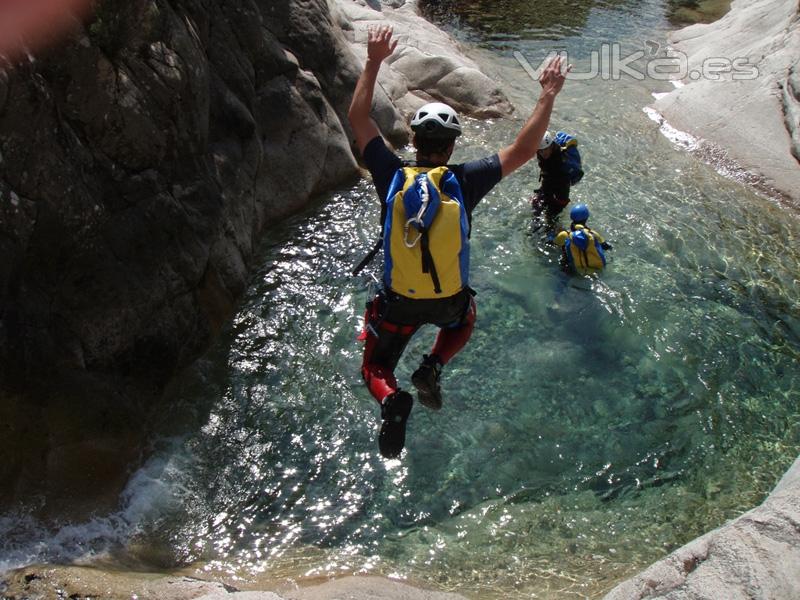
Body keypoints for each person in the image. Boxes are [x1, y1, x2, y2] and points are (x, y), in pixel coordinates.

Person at [348, 24, 570, 458]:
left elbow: (359, 118)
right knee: (465, 317)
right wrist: (548, 93)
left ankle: (392, 400)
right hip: (448, 301)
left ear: (414, 140)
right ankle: (432, 365)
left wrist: (374, 60)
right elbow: (524, 149)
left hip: (397, 303)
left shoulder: (391, 175)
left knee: (374, 366)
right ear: (451, 148)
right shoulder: (466, 181)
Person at [531, 130, 584, 222]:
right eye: (540, 151)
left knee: (552, 215)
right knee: (536, 204)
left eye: (546, 149)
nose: (543, 153)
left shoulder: (561, 161)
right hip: (550, 179)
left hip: (561, 185)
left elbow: (563, 196)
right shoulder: (544, 153)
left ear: (551, 146)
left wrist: (555, 204)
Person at [554, 203, 612, 274]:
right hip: (595, 270)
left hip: (573, 270)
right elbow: (607, 247)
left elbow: (553, 245)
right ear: (586, 218)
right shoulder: (593, 234)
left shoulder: (564, 235)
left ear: (571, 217)